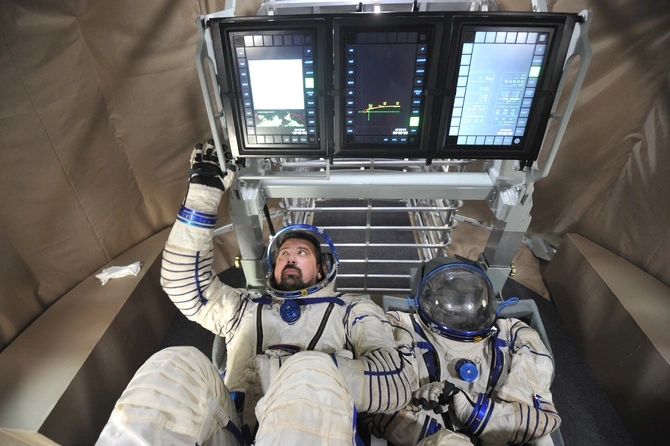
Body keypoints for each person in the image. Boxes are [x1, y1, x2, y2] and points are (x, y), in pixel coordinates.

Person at [97, 141, 414, 445]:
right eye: (283, 254)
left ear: (321, 270)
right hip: (233, 430)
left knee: (311, 371)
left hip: (319, 425)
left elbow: (395, 380)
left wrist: (289, 371)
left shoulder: (351, 309)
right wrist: (204, 191)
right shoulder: (245, 307)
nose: (289, 258)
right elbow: (183, 284)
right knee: (174, 363)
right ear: (273, 269)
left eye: (301, 252)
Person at [361, 257, 561, 446]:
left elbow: (541, 419)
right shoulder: (400, 326)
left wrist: (474, 411)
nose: (458, 306)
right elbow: (379, 405)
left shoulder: (515, 333)